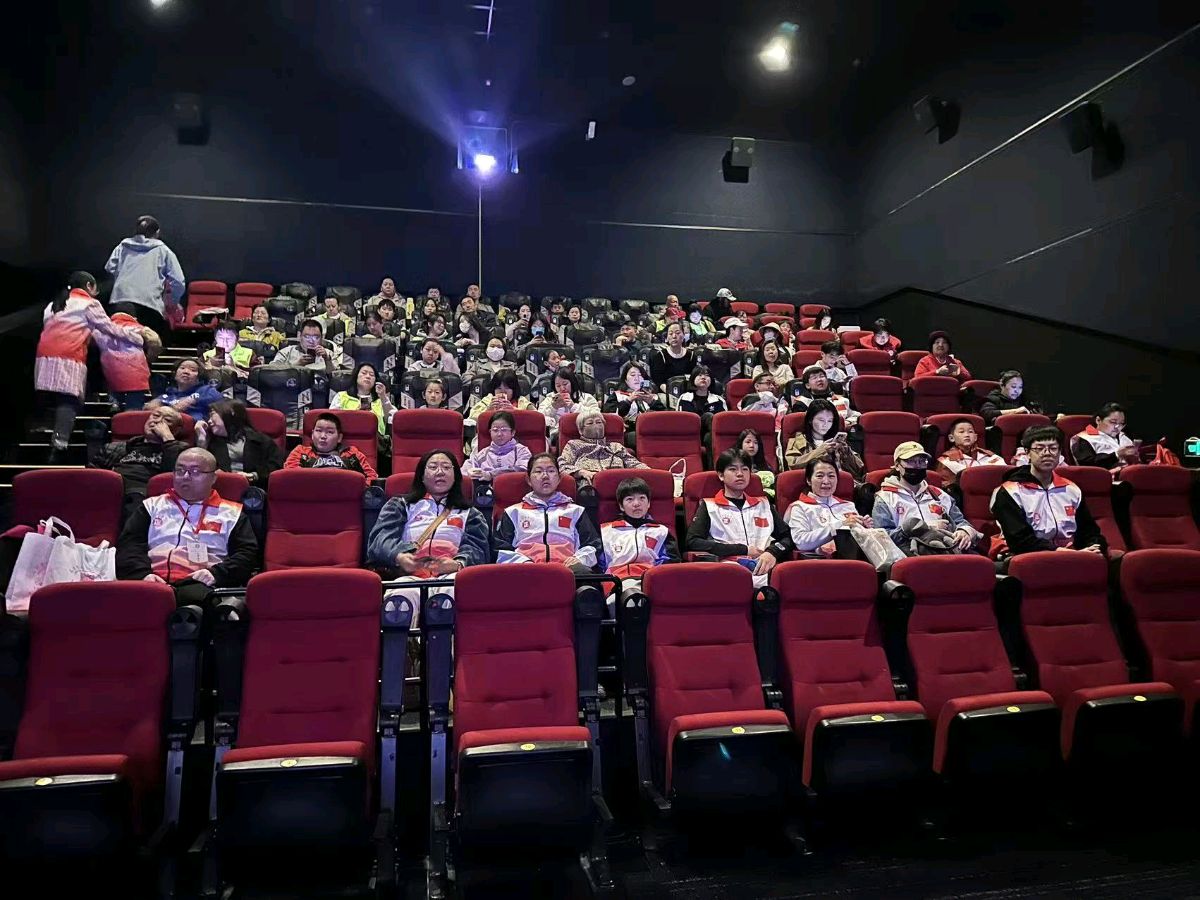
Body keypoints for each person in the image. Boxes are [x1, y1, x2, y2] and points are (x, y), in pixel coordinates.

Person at [116, 448, 258, 607]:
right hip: (151, 583)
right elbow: (129, 545)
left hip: (201, 585)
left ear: (213, 478)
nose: (185, 476)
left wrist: (216, 574)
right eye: (180, 470)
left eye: (195, 471)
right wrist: (143, 574)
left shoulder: (231, 513)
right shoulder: (152, 506)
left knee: (199, 602)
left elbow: (247, 554)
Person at [36, 270, 146, 457]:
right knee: (69, 400)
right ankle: (59, 445)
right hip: (68, 355)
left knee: (55, 398)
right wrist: (139, 337)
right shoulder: (89, 303)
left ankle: (49, 436)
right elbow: (110, 328)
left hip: (44, 354)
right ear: (89, 286)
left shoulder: (53, 305)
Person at [366, 450, 490, 612]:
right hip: (408, 575)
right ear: (422, 476)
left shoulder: (470, 513)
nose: (440, 472)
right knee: (401, 598)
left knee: (453, 592)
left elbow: (478, 548)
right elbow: (380, 540)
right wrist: (399, 556)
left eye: (446, 467)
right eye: (433, 467)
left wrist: (457, 564)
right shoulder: (400, 504)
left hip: (450, 575)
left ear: (455, 477)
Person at [991, 426, 1106, 558]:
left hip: (1072, 553)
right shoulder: (1010, 491)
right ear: (1027, 453)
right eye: (1039, 448)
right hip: (1028, 556)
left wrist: (1094, 547)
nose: (1047, 453)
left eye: (1053, 448)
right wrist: (1069, 554)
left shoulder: (1071, 489)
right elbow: (1020, 541)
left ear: (1060, 452)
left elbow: (1089, 531)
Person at [685, 448, 791, 588]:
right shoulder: (710, 506)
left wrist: (772, 552)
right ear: (721, 475)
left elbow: (787, 537)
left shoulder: (763, 504)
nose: (740, 474)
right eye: (733, 469)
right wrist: (743, 550)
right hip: (728, 571)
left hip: (765, 569)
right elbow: (693, 542)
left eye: (745, 469)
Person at [494, 453, 602, 574]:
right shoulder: (513, 512)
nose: (545, 476)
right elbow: (500, 550)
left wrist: (579, 559)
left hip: (568, 570)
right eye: (538, 471)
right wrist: (524, 563)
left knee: (586, 577)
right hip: (525, 571)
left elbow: (593, 545)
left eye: (551, 471)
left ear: (559, 478)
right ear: (529, 480)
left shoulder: (576, 511)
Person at [871, 441, 980, 557]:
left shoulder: (940, 495)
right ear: (897, 465)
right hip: (908, 555)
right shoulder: (885, 497)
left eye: (922, 461)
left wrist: (965, 531)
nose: (917, 466)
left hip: (947, 550)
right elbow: (882, 538)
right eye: (911, 461)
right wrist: (924, 528)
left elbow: (960, 521)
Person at [90, 405, 189, 517]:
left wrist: (168, 439)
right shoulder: (115, 448)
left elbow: (175, 475)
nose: (157, 421)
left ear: (176, 430)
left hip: (145, 496)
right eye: (155, 416)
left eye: (167, 420)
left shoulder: (182, 451)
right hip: (111, 490)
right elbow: (92, 476)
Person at [105, 215, 185, 339]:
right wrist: (171, 303)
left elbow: (110, 268)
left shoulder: (122, 246)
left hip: (121, 300)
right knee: (149, 343)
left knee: (120, 343)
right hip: (149, 303)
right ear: (157, 232)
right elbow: (178, 281)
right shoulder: (163, 250)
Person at [600, 476, 681, 591]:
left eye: (642, 498)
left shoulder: (661, 532)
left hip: (651, 581)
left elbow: (671, 564)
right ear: (621, 506)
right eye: (630, 499)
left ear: (648, 503)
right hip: (616, 582)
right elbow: (599, 565)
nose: (636, 503)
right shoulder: (606, 531)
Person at [785, 457, 871, 557]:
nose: (826, 481)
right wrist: (838, 527)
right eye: (820, 476)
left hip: (854, 557)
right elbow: (801, 542)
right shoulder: (799, 507)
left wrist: (864, 528)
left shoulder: (848, 505)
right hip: (820, 561)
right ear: (809, 480)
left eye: (831, 476)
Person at [194, 399, 283, 485]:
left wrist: (253, 476)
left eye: (212, 415)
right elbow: (197, 469)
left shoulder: (260, 440)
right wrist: (201, 441)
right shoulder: (211, 441)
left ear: (231, 412)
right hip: (220, 487)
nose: (209, 421)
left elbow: (275, 467)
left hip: (253, 488)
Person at [98, 306, 160, 413]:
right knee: (134, 400)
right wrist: (150, 357)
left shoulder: (102, 329)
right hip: (136, 370)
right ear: (133, 317)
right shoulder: (138, 328)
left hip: (111, 368)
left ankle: (114, 402)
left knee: (112, 385)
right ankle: (132, 413)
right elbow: (155, 342)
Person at [558, 410, 649, 483]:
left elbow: (634, 464)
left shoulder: (616, 446)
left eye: (599, 422)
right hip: (589, 482)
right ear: (580, 430)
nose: (596, 425)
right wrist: (581, 472)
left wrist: (650, 473)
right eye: (590, 423)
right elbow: (563, 464)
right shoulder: (574, 444)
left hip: (619, 482)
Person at [783, 398, 865, 478]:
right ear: (810, 420)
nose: (826, 424)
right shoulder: (798, 441)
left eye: (830, 421)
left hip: (842, 481)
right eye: (821, 420)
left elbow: (859, 470)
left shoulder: (837, 441)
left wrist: (846, 452)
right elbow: (792, 466)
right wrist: (820, 451)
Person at [283, 412, 378, 477]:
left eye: (329, 432)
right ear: (312, 434)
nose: (323, 436)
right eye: (318, 431)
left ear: (339, 437)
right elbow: (291, 476)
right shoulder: (301, 452)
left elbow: (371, 477)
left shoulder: (352, 454)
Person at [330, 363, 396, 438]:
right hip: (347, 438)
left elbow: (394, 419)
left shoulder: (381, 400)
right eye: (364, 373)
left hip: (376, 440)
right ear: (356, 376)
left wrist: (383, 397)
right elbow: (331, 420)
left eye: (371, 375)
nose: (368, 376)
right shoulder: (341, 396)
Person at [463, 410, 532, 481]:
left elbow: (522, 470)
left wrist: (491, 475)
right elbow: (463, 471)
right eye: (495, 430)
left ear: (513, 432)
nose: (499, 434)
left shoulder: (522, 451)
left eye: (504, 430)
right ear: (490, 432)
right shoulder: (482, 454)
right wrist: (469, 473)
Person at [935, 418, 1005, 487]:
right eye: (961, 432)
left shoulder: (989, 455)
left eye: (970, 431)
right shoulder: (946, 460)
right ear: (951, 438)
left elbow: (1005, 473)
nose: (967, 435)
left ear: (975, 437)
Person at [1070, 402, 1139, 472]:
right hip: (1105, 476)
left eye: (1121, 423)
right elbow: (1088, 465)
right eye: (1113, 422)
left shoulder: (1122, 436)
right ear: (1098, 420)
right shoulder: (1085, 438)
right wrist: (1116, 454)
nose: (1117, 427)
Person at [147, 358, 224, 420]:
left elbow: (222, 404)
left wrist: (192, 399)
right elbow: (149, 408)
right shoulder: (168, 395)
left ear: (199, 378)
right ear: (175, 375)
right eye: (182, 368)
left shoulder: (207, 391)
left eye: (193, 370)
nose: (186, 372)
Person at [538, 367, 600, 438]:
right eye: (558, 386)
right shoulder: (549, 399)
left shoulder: (587, 398)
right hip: (558, 436)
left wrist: (573, 406)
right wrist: (553, 408)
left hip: (583, 434)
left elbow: (597, 416)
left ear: (572, 383)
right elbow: (539, 418)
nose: (562, 388)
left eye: (565, 384)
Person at [604, 361, 664, 428]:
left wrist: (652, 403)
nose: (637, 379)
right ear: (625, 379)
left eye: (640, 375)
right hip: (627, 431)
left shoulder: (652, 396)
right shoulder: (617, 395)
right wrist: (628, 401)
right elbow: (609, 416)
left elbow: (665, 417)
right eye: (633, 375)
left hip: (650, 430)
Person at [791, 366, 857, 425]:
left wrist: (848, 422)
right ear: (808, 385)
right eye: (814, 378)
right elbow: (800, 424)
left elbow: (856, 415)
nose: (819, 379)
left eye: (822, 376)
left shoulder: (840, 400)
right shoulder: (802, 403)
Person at [272, 319, 338, 373]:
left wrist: (327, 360)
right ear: (300, 336)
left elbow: (336, 379)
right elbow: (272, 373)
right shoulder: (286, 352)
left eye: (316, 337)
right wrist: (298, 364)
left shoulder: (328, 354)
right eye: (307, 337)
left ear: (321, 338)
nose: (311, 341)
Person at [469, 369, 534, 421]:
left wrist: (515, 411)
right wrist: (488, 411)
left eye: (507, 388)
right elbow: (472, 417)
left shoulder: (521, 401)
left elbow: (536, 417)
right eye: (498, 388)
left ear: (513, 389)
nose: (503, 391)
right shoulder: (488, 400)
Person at [649, 321, 696, 388]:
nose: (674, 336)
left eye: (677, 333)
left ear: (683, 335)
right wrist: (670, 391)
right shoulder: (660, 356)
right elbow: (658, 381)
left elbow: (694, 378)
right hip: (666, 391)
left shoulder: (691, 355)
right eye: (670, 334)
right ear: (667, 338)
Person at [736, 427, 776, 498]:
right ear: (741, 444)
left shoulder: (765, 466)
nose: (752, 445)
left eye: (755, 442)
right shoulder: (733, 464)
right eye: (748, 442)